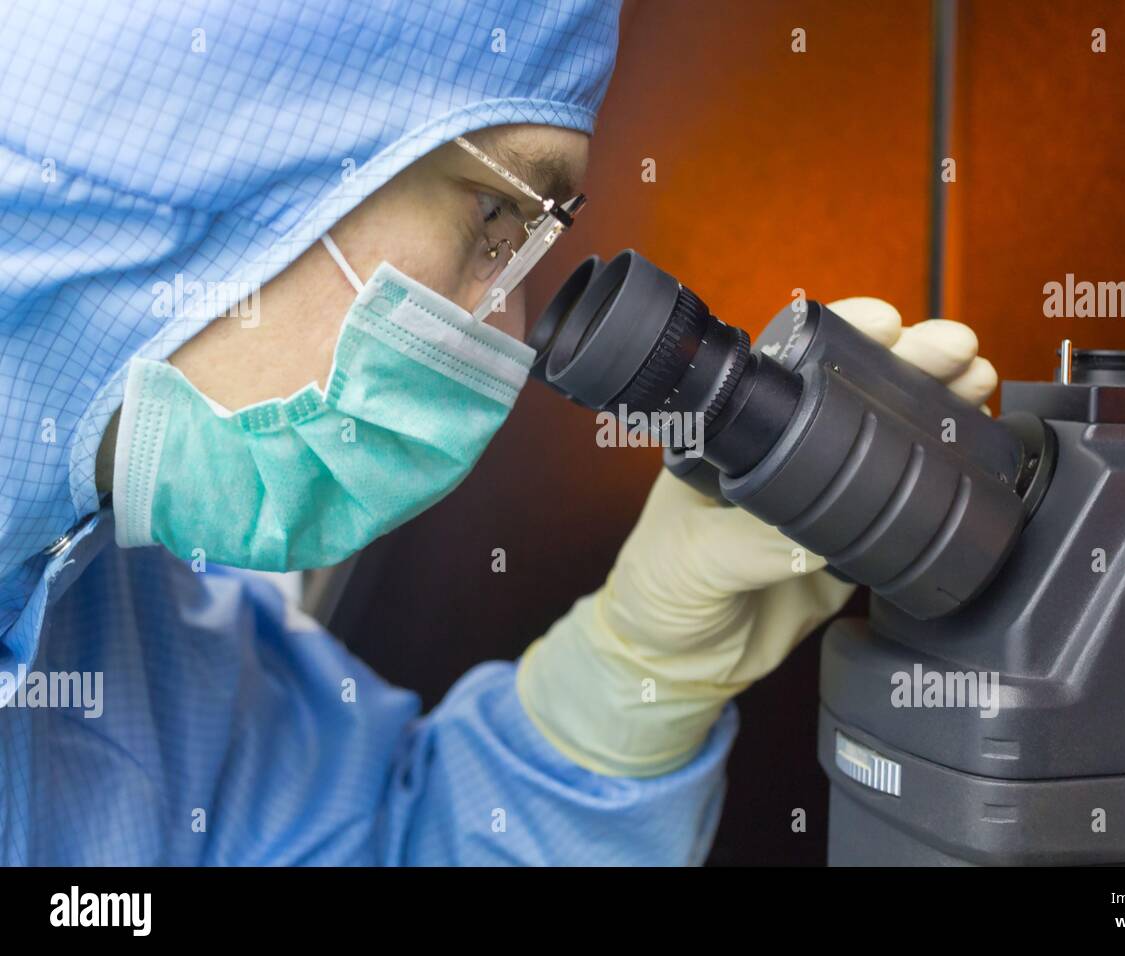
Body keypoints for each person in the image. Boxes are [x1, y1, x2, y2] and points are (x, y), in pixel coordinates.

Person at [0, 0, 998, 865]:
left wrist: (629, 668)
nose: (506, 329)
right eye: (493, 213)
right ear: (213, 147)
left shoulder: (107, 626)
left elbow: (385, 848)